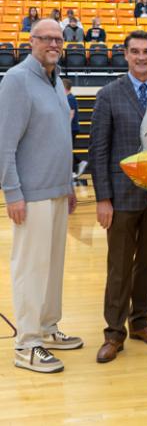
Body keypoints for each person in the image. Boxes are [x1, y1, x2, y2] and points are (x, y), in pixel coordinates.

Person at [88, 30, 147, 364]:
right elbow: (98, 149)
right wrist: (103, 198)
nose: (141, 57)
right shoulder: (108, 94)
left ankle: (140, 321)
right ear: (125, 55)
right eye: (135, 51)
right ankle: (114, 333)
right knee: (119, 267)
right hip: (122, 196)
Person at [0, 19, 81, 374]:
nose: (53, 43)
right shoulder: (17, 80)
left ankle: (47, 329)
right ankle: (27, 344)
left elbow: (58, 138)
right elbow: (4, 143)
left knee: (52, 268)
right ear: (31, 41)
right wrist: (13, 191)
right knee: (30, 269)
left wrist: (68, 185)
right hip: (30, 195)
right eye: (46, 38)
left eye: (58, 39)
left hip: (57, 191)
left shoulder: (55, 81)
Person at [63, 78, 87, 178]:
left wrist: (65, 128)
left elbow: (71, 115)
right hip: (71, 128)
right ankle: (78, 163)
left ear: (64, 88)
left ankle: (75, 168)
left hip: (71, 128)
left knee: (67, 150)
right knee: (66, 149)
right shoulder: (68, 98)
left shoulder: (70, 98)